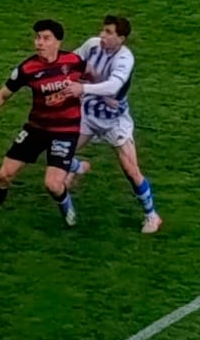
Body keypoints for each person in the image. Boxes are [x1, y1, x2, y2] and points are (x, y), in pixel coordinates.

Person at [0, 19, 84, 232]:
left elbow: (98, 81)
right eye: (37, 38)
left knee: (53, 185)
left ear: (58, 42)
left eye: (46, 38)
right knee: (4, 175)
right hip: (36, 129)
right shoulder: (28, 68)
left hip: (65, 131)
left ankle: (65, 203)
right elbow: (3, 95)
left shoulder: (75, 62)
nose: (39, 43)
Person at [62, 16, 163, 235]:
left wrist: (83, 89)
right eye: (103, 30)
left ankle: (152, 215)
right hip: (88, 114)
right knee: (60, 150)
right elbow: (71, 61)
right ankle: (78, 168)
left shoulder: (125, 58)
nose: (102, 36)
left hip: (114, 120)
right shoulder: (92, 45)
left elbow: (113, 86)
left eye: (108, 32)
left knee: (131, 170)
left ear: (121, 38)